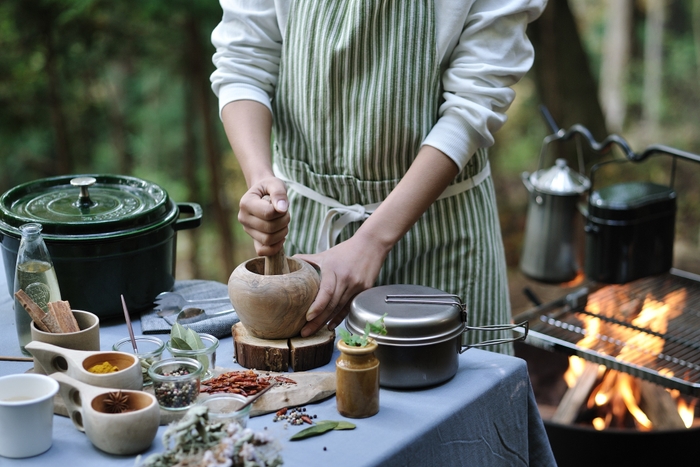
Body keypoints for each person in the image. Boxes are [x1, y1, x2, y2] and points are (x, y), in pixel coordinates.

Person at [211, 0, 547, 353]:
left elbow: (473, 104)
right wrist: (260, 176)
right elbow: (243, 62)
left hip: (439, 241)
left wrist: (372, 242)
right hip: (310, 242)